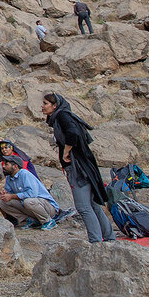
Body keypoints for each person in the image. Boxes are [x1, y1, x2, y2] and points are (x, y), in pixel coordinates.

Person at [43, 93, 114, 243]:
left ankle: (95, 242)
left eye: (45, 103)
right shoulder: (62, 116)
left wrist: (66, 152)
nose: (42, 107)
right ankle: (109, 238)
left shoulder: (62, 116)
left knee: (83, 207)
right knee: (93, 205)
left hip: (78, 169)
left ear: (54, 105)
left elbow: (72, 133)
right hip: (85, 166)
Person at [0, 154, 59, 229]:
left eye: (6, 164)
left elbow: (32, 194)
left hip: (47, 208)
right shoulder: (9, 177)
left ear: (15, 166)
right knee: (3, 202)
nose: (3, 166)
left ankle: (48, 221)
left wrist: (12, 196)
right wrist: (5, 194)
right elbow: (9, 192)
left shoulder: (25, 174)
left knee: (29, 201)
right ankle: (31, 221)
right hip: (30, 206)